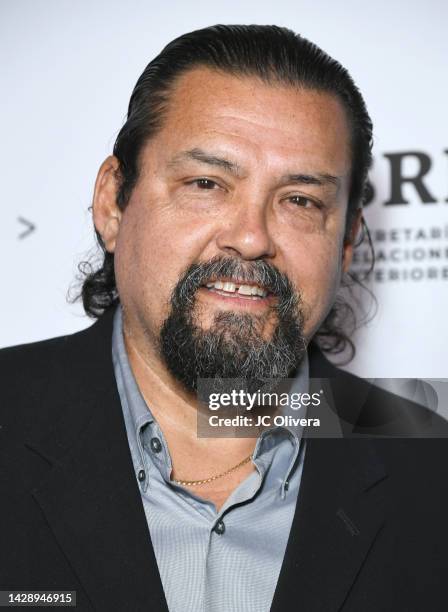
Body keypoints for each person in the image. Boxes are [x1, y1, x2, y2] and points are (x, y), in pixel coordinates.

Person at [1, 24, 447, 612]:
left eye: (300, 200)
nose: (251, 236)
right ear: (113, 202)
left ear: (345, 244)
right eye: (206, 183)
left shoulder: (432, 474)